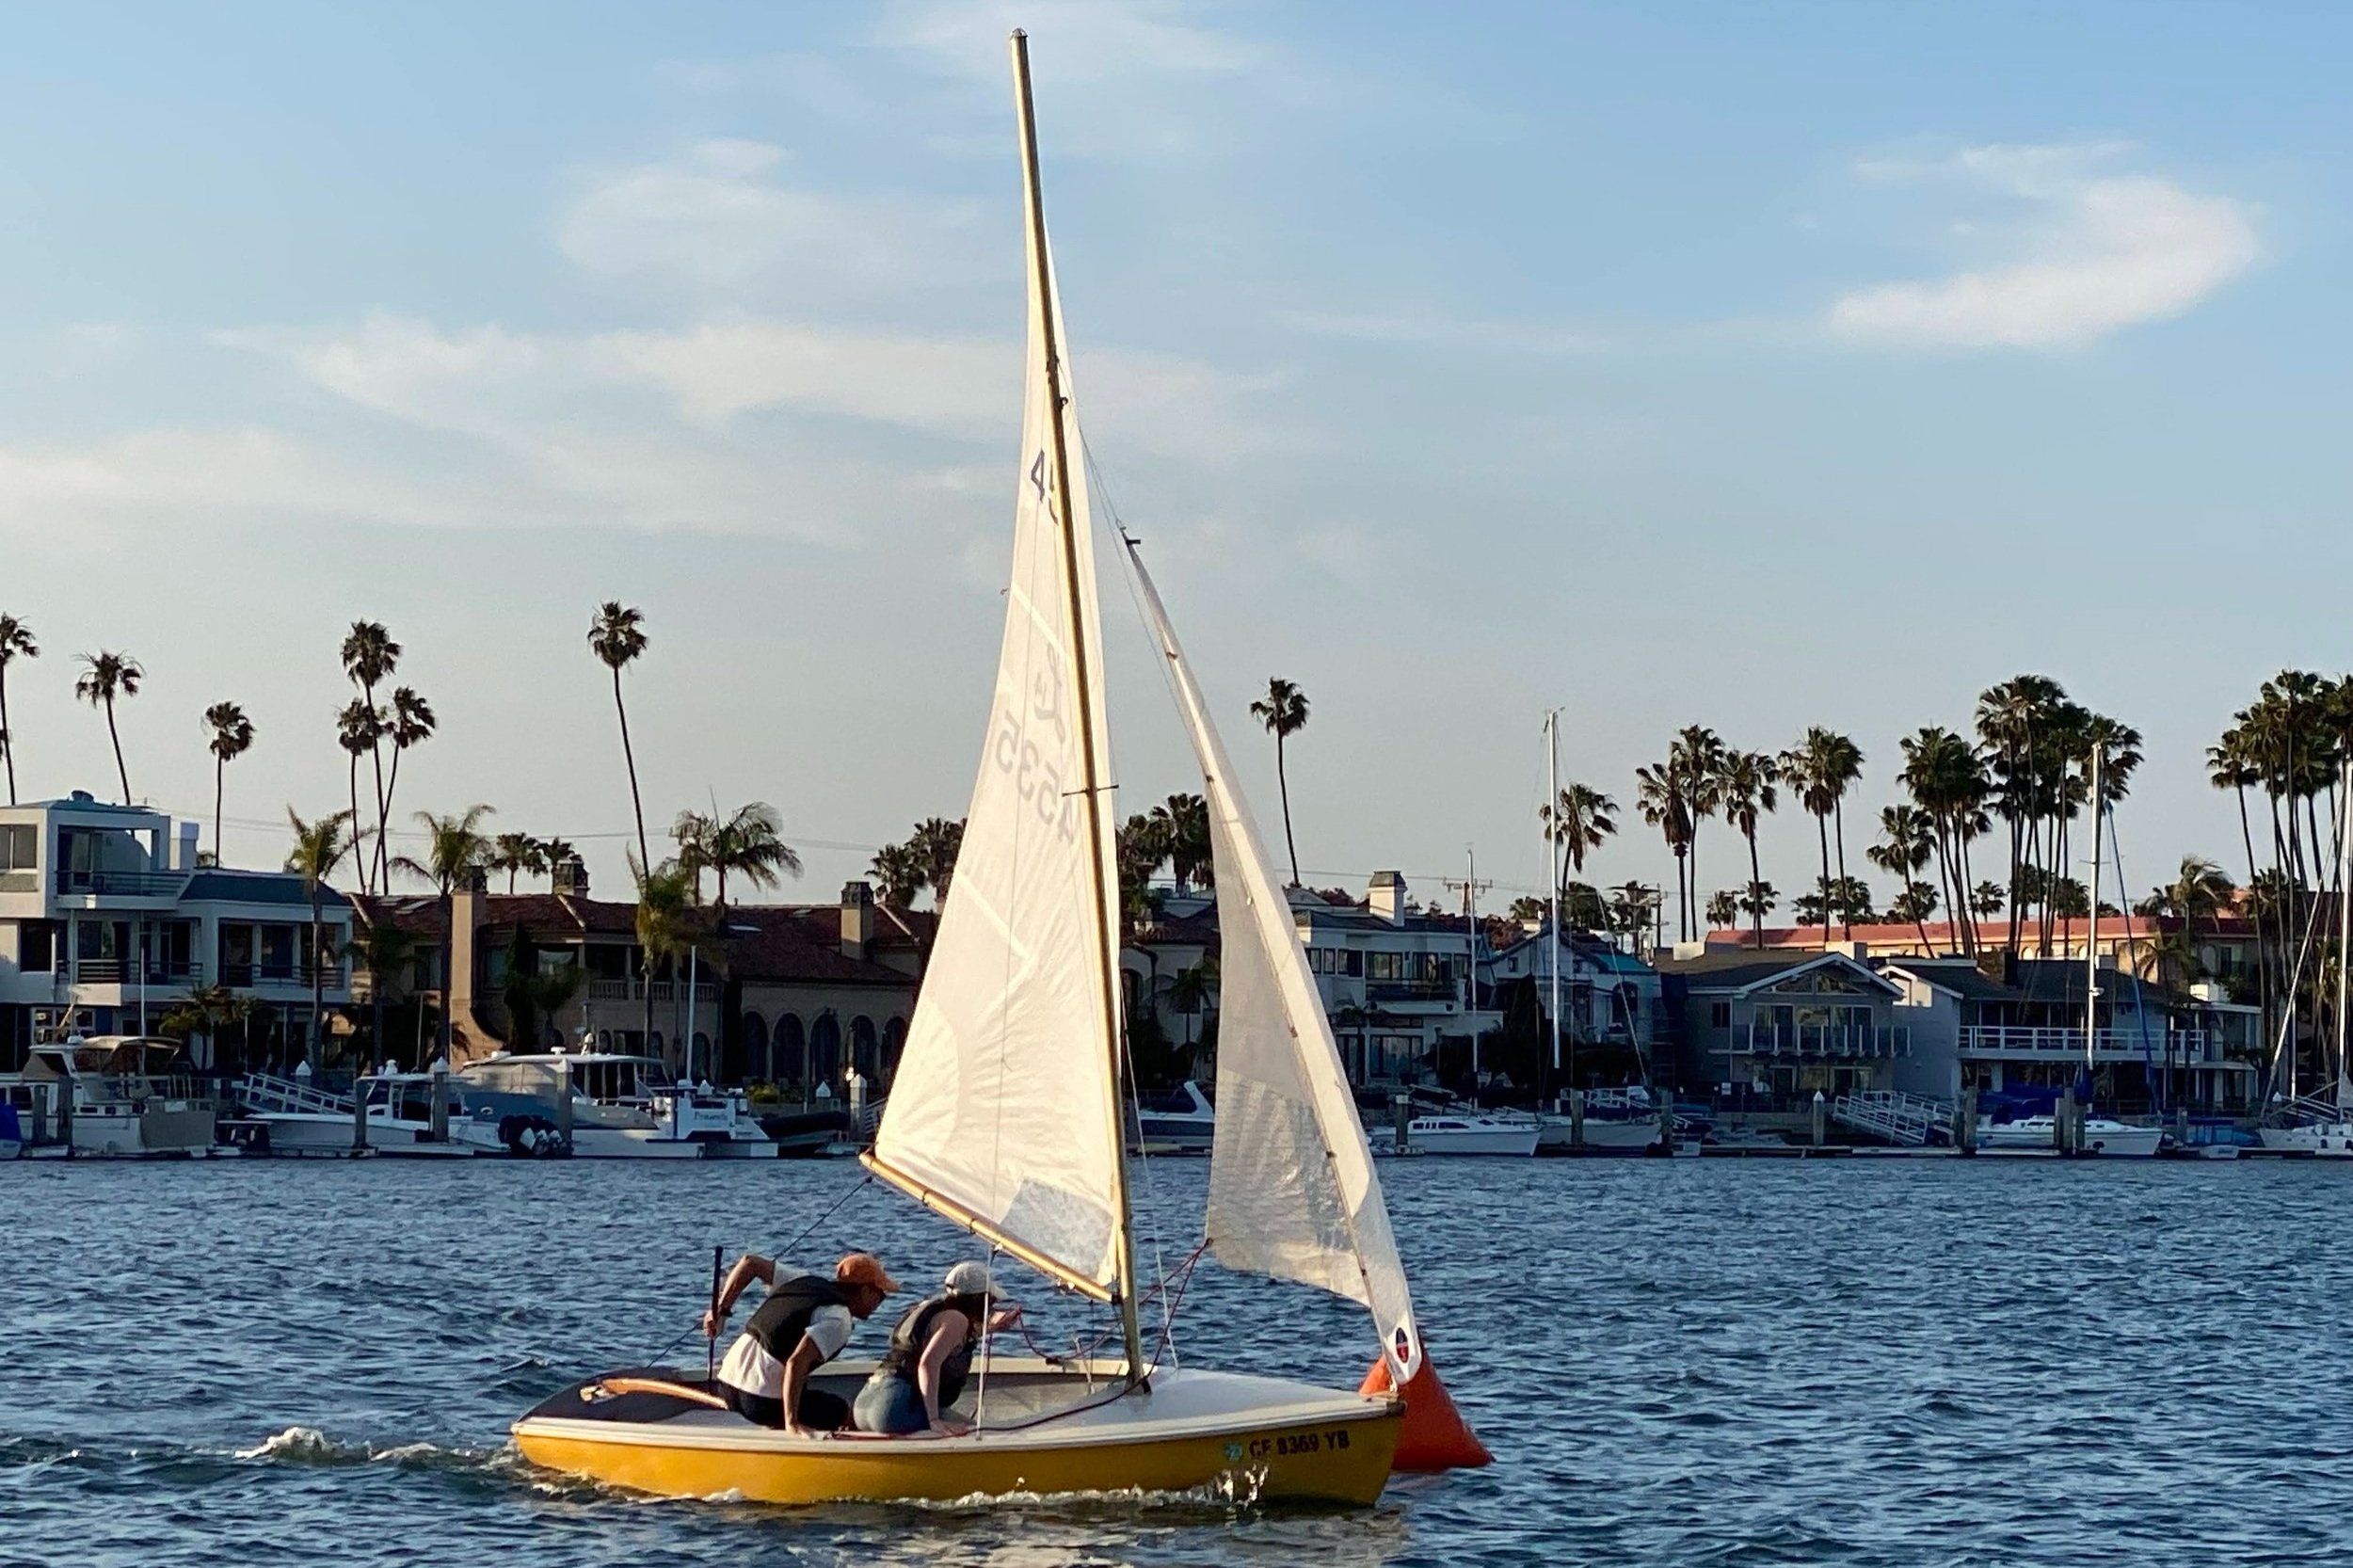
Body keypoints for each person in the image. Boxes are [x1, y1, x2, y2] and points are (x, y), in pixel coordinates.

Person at [703, 1250, 898, 1437]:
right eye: (880, 1295)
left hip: (727, 1386)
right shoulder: (839, 1319)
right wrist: (792, 1422)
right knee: (841, 1410)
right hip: (759, 1402)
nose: (879, 1303)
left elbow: (750, 1263)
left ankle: (779, 1423)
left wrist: (721, 1311)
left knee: (809, 1396)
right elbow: (796, 1363)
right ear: (865, 1291)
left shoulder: (802, 1280)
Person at [853, 1260, 1023, 1437]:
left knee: (963, 1424)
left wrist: (992, 1327)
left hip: (866, 1404)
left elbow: (945, 1340)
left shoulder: (933, 1309)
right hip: (894, 1410)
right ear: (979, 1298)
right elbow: (928, 1363)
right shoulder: (958, 1320)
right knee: (973, 1431)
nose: (991, 1307)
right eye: (991, 1300)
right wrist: (934, 1421)